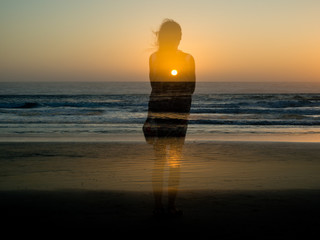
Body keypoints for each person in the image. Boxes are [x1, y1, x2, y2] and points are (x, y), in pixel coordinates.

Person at [143, 19, 196, 217]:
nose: (178, 38)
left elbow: (154, 85)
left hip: (162, 112)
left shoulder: (154, 58)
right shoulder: (187, 59)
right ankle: (168, 207)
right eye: (176, 35)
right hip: (177, 114)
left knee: (162, 161)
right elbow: (191, 87)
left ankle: (160, 207)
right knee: (172, 161)